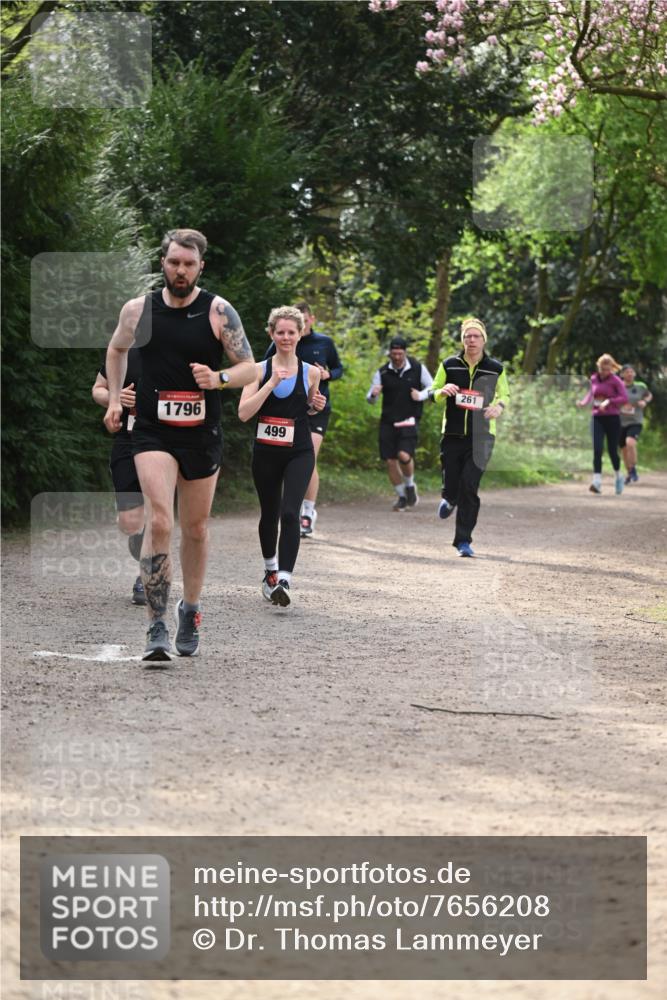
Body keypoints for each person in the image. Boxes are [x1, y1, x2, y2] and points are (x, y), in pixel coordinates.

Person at [103, 228, 256, 661]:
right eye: (174, 262)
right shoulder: (139, 310)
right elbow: (115, 351)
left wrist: (220, 379)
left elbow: (250, 367)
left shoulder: (219, 312)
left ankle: (190, 608)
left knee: (196, 528)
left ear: (200, 266)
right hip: (151, 430)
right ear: (163, 263)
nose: (181, 270)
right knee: (160, 522)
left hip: (201, 434)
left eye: (188, 264)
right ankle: (157, 624)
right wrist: (115, 398)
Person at [239, 306, 325, 607]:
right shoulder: (258, 370)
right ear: (271, 334)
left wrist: (316, 405)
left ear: (300, 334)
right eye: (280, 332)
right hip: (266, 453)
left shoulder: (311, 372)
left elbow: (308, 408)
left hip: (298, 451)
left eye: (291, 332)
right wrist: (271, 384)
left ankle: (285, 579)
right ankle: (270, 571)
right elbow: (244, 413)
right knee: (270, 514)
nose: (286, 337)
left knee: (291, 513)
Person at [419, 318, 509, 557]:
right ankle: (449, 497)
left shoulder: (495, 368)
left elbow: (505, 394)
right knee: (452, 481)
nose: (471, 340)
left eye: (475, 336)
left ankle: (463, 541)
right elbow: (432, 391)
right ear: (462, 340)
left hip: (482, 436)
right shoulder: (449, 364)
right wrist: (441, 391)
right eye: (467, 336)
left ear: (483, 340)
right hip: (452, 434)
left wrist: (498, 407)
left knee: (469, 485)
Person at [264, 302, 342, 538]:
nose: (288, 335)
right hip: (289, 412)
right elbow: (264, 367)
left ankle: (307, 513)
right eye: (283, 331)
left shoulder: (324, 343)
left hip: (317, 407)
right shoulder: (280, 343)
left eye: (304, 320)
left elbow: (339, 368)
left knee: (310, 457)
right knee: (289, 460)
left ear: (310, 320)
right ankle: (289, 508)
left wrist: (329, 374)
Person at [92, 346, 146, 605]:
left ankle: (146, 577)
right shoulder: (125, 354)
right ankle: (140, 538)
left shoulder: (179, 352)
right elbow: (98, 388)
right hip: (128, 440)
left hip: (166, 443)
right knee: (129, 521)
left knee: (158, 512)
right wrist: (115, 397)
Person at [366, 336, 433, 510]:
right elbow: (370, 399)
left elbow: (433, 387)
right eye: (394, 354)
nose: (396, 357)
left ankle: (410, 484)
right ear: (389, 353)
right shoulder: (382, 372)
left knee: (404, 455)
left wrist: (420, 395)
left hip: (409, 419)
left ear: (405, 352)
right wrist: (373, 394)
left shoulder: (418, 368)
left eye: (400, 353)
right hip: (388, 421)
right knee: (390, 461)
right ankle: (402, 496)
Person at [576, 353, 628, 495]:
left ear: (611, 368)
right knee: (597, 449)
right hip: (597, 417)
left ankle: (618, 475)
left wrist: (610, 401)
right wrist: (583, 402)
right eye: (602, 369)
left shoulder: (616, 381)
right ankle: (597, 481)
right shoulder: (593, 378)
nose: (605, 372)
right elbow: (591, 394)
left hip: (612, 418)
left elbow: (624, 397)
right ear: (599, 367)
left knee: (612, 451)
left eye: (608, 369)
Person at [618, 364, 653, 484]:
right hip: (620, 422)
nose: (629, 374)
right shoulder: (617, 386)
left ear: (634, 374)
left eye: (631, 372)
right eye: (627, 372)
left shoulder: (640, 386)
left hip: (635, 421)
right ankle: (629, 473)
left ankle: (633, 469)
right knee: (624, 450)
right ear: (622, 374)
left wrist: (644, 401)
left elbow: (648, 395)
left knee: (630, 443)